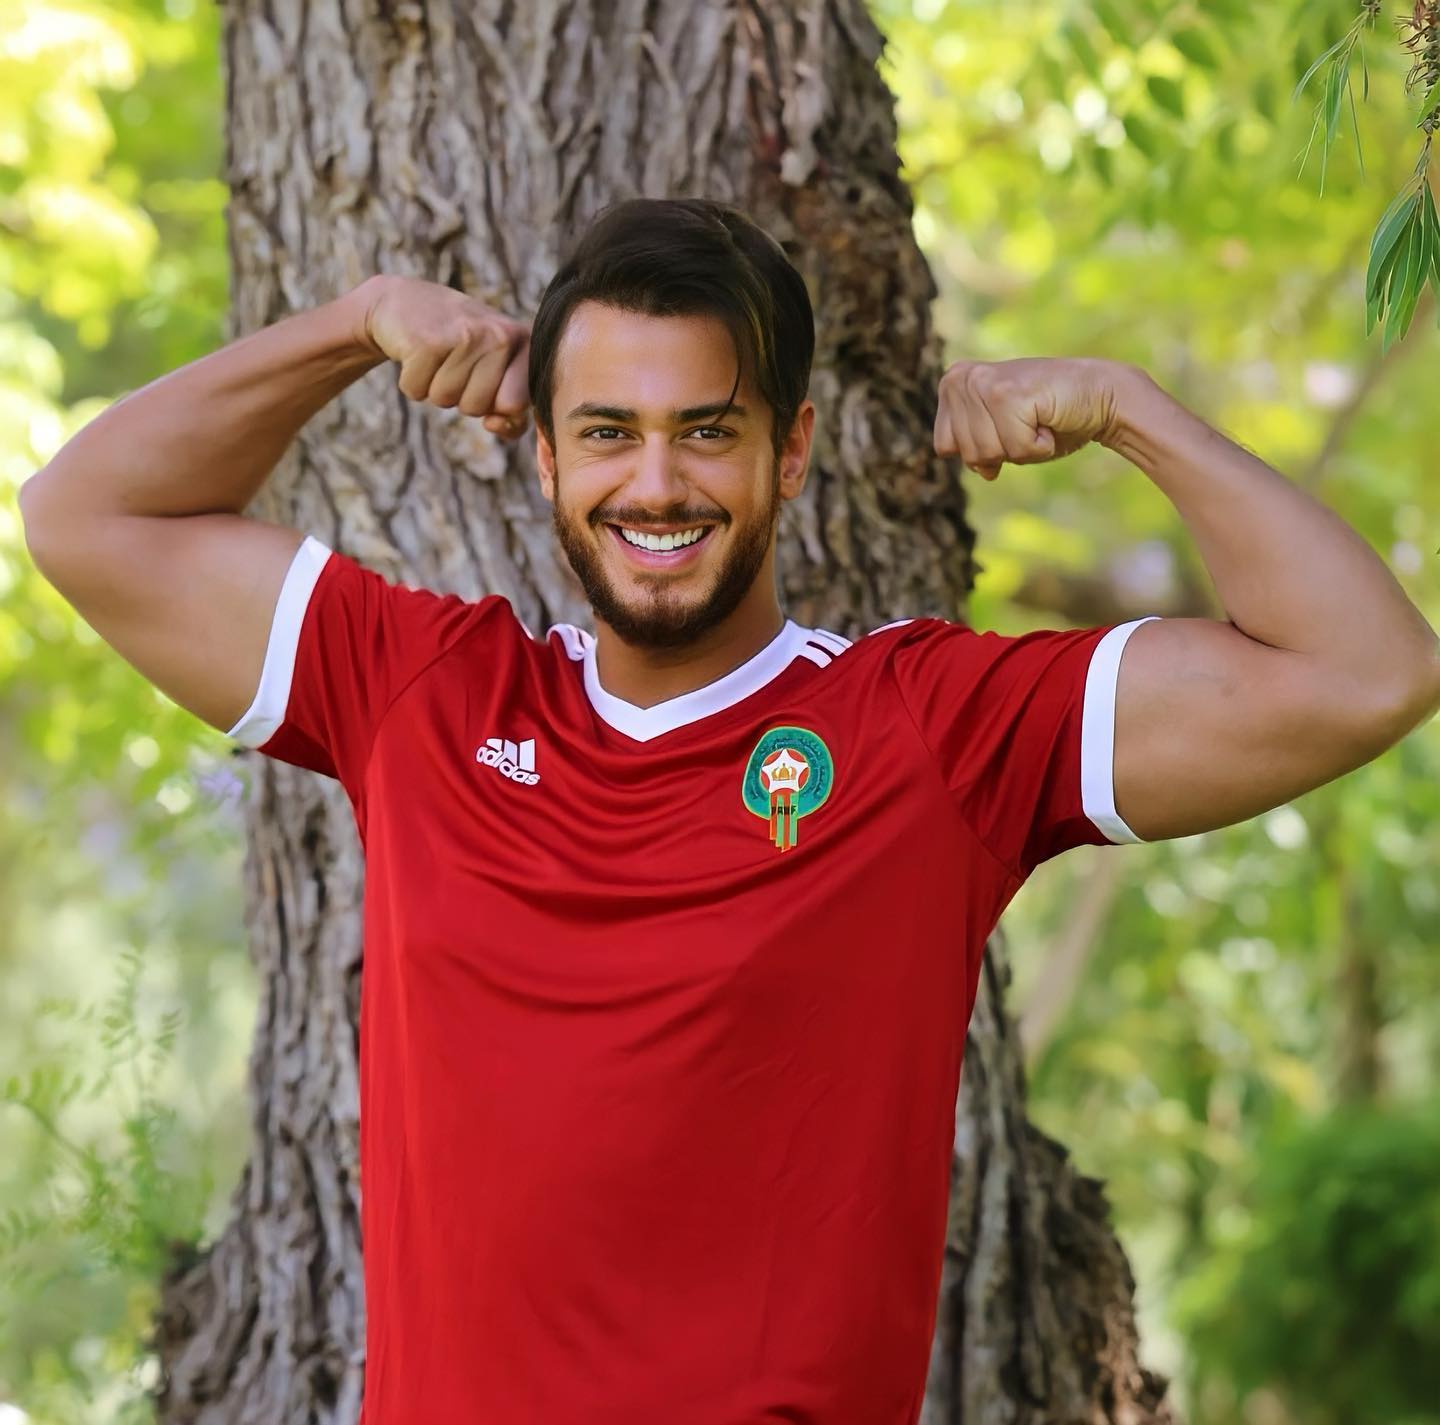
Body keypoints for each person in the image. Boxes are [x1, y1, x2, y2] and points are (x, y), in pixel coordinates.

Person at [18, 197, 1439, 1425]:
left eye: (708, 431)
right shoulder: (426, 698)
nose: (657, 483)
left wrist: (1131, 411)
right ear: (547, 458)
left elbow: (1366, 670)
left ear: (790, 450)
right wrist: (351, 325)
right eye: (609, 433)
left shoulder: (931, 735)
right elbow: (88, 516)